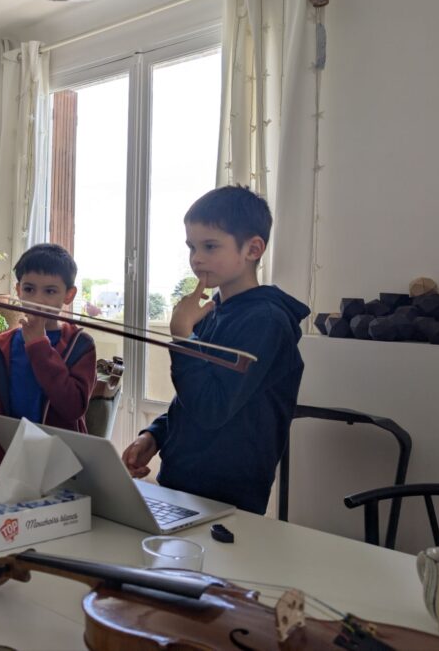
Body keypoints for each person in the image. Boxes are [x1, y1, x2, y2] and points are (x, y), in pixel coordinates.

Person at [121, 185, 310, 514]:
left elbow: (212, 408)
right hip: (182, 482)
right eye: (191, 247)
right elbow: (191, 399)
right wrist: (155, 435)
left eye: (210, 246)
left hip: (228, 495)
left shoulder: (266, 321)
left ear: (253, 249)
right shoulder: (212, 311)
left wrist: (182, 339)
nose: (196, 258)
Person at [0, 243, 97, 492]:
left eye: (50, 291)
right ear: (18, 291)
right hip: (6, 469)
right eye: (29, 289)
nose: (38, 300)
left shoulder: (81, 345)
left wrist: (39, 345)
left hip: (61, 473)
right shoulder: (0, 347)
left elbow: (72, 407)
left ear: (68, 295)